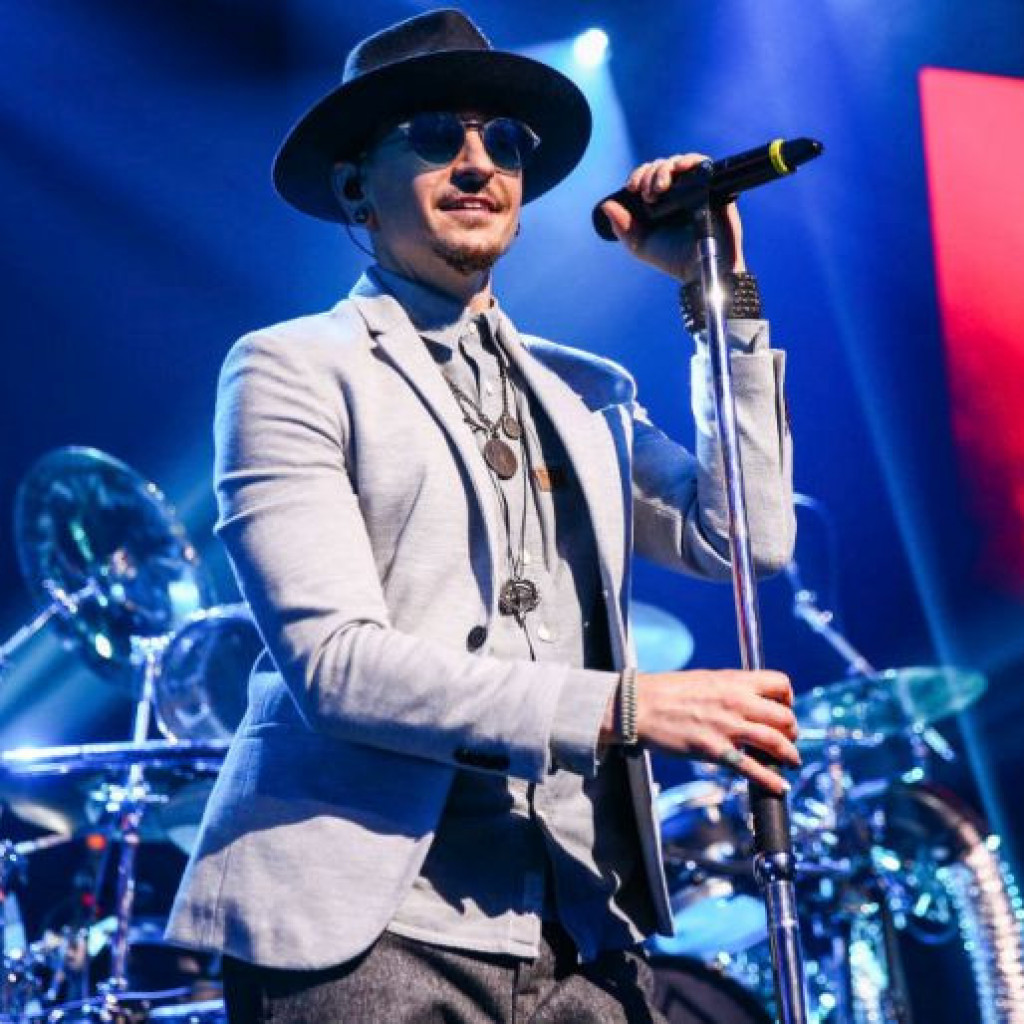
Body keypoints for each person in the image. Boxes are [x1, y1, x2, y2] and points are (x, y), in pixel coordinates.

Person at [167, 8, 799, 1022]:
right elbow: (334, 665)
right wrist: (623, 708)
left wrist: (718, 297)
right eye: (433, 135)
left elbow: (744, 540)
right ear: (356, 189)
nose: (477, 162)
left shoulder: (582, 392)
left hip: (579, 923)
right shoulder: (293, 368)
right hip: (371, 929)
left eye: (502, 140)